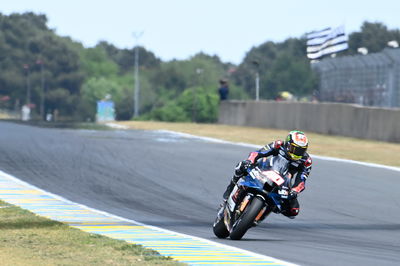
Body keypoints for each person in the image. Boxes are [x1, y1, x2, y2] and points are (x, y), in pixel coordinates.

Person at [222, 130, 312, 218]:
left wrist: (294, 191)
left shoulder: (306, 161)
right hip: (265, 169)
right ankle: (230, 189)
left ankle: (268, 208)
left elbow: (302, 180)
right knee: (241, 166)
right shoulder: (278, 145)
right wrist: (249, 161)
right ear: (288, 144)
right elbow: (258, 153)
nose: (297, 153)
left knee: (294, 211)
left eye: (301, 150)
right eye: (295, 148)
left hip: (283, 181)